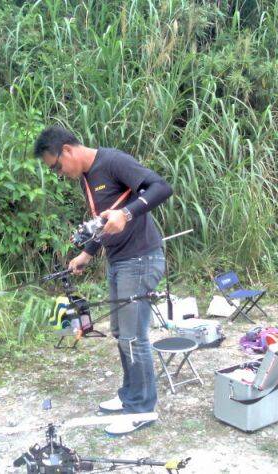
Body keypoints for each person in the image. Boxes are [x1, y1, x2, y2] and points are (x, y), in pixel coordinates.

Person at [34, 125, 173, 435]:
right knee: (121, 332)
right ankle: (129, 395)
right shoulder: (88, 177)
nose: (58, 173)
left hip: (140, 259)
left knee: (134, 337)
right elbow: (105, 223)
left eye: (56, 166)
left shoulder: (112, 161)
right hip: (120, 261)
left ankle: (142, 409)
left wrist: (128, 213)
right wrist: (87, 253)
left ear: (67, 150)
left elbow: (161, 187)